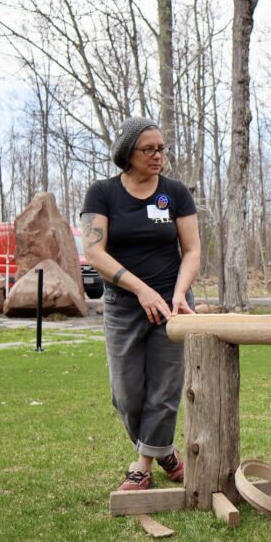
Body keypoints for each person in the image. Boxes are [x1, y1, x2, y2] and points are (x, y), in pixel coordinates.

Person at [80, 117, 201, 491]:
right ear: (127, 154)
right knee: (126, 393)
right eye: (148, 149)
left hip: (171, 303)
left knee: (165, 389)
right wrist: (141, 290)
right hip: (123, 304)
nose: (158, 155)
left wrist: (179, 294)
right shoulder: (102, 193)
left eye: (161, 148)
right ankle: (164, 451)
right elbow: (94, 251)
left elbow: (192, 250)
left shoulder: (175, 192)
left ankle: (143, 465)